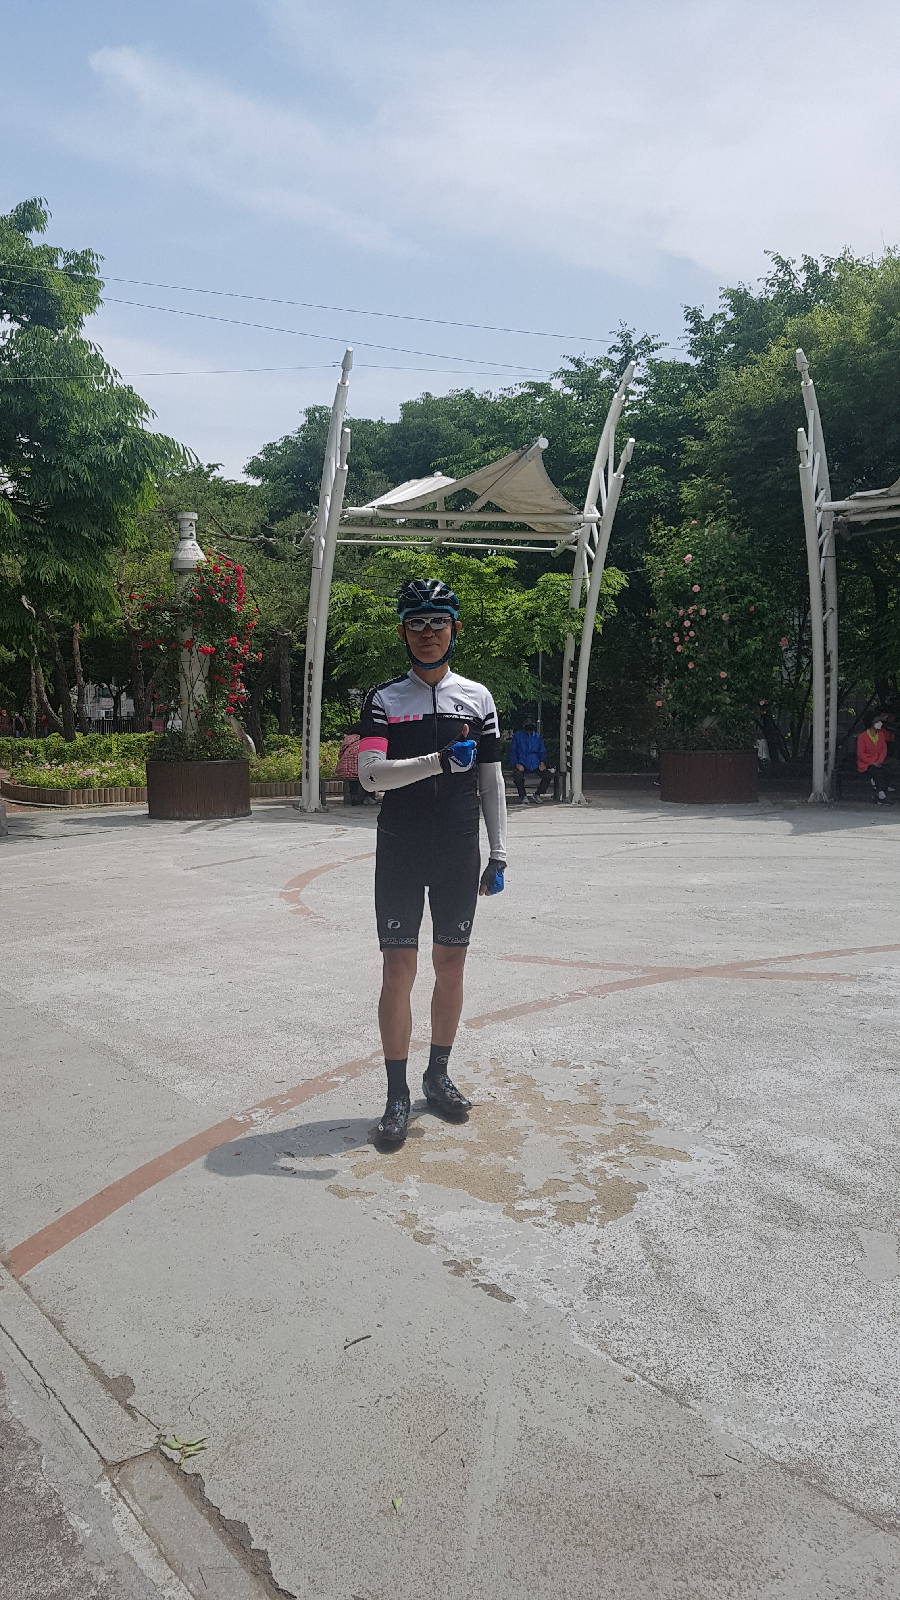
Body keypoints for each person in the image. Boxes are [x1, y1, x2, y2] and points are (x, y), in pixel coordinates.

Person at [357, 578, 507, 1144]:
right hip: (401, 845)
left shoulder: (479, 698)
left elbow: (491, 783)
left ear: (454, 629)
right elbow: (371, 777)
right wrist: (440, 761)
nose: (427, 633)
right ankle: (397, 1094)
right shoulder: (384, 699)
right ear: (402, 632)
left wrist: (499, 853)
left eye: (437, 621)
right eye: (416, 623)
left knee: (451, 965)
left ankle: (437, 1076)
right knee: (398, 970)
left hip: (457, 847)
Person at [508, 716, 552, 803]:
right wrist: (516, 764)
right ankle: (523, 796)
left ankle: (537, 794)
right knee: (518, 776)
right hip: (522, 764)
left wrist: (542, 762)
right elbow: (513, 751)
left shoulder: (537, 737)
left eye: (531, 722)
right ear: (523, 724)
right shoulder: (518, 736)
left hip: (535, 764)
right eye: (527, 722)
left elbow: (542, 751)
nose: (529, 724)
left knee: (547, 775)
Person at [857, 716, 889, 803]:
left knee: (886, 770)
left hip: (878, 763)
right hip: (866, 765)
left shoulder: (881, 735)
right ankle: (881, 794)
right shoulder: (862, 736)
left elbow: (884, 749)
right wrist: (872, 762)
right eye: (878, 722)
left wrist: (880, 761)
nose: (880, 724)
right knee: (877, 771)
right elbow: (860, 754)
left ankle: (881, 791)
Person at [335, 722, 365, 805]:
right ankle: (366, 797)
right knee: (366, 775)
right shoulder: (365, 739)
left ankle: (353, 797)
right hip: (361, 771)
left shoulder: (347, 739)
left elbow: (340, 754)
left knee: (351, 776)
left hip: (344, 771)